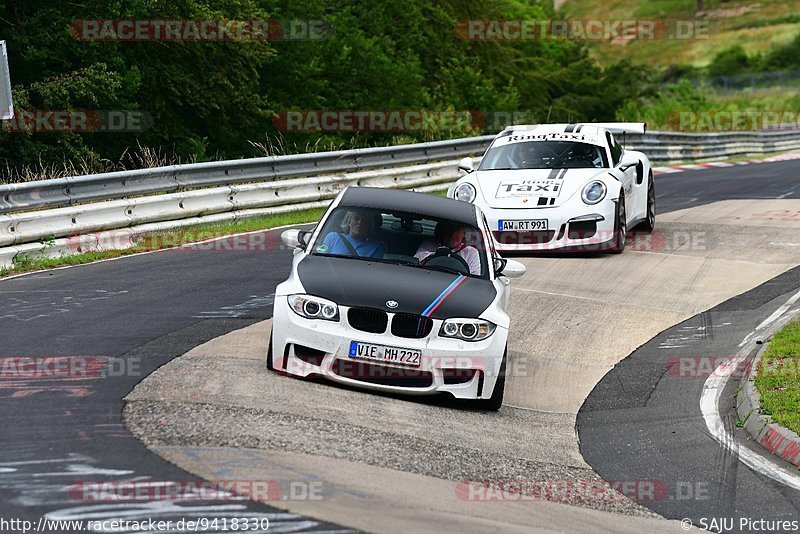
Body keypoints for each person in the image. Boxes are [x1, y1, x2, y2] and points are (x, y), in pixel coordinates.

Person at [414, 221, 481, 275]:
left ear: (463, 233)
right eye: (449, 230)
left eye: (457, 230)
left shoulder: (470, 252)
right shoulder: (429, 245)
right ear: (441, 232)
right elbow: (417, 263)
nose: (453, 235)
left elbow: (474, 277)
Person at [321, 209, 386, 258]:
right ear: (349, 222)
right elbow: (321, 259)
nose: (360, 222)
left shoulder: (377, 247)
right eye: (356, 219)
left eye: (364, 220)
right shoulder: (333, 237)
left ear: (368, 226)